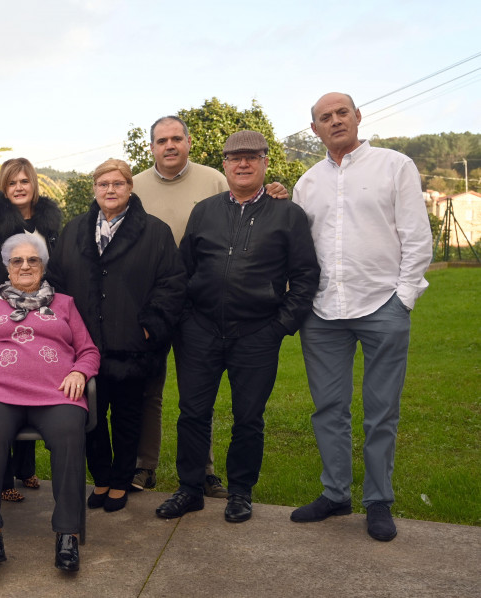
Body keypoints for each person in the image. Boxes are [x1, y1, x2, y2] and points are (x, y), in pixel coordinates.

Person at [155, 131, 319, 524]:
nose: (242, 164)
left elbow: (306, 276)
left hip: (257, 333)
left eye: (251, 157)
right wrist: (184, 321)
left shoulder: (288, 214)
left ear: (264, 162)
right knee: (193, 413)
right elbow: (183, 270)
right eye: (234, 158)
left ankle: (241, 492)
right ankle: (190, 489)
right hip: (200, 331)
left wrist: (279, 327)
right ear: (224, 164)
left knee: (249, 417)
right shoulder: (205, 210)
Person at [291, 92, 432, 541]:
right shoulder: (307, 182)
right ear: (314, 130)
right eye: (324, 118)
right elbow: (298, 246)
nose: (334, 121)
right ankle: (335, 494)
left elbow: (416, 235)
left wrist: (404, 298)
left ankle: (378, 501)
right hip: (323, 310)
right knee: (328, 408)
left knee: (381, 411)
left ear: (357, 117)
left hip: (382, 306)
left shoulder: (395, 166)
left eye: (341, 113)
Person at [131, 115, 289, 496]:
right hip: (146, 302)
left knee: (196, 394)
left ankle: (204, 472)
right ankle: (142, 465)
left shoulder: (214, 179)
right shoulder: (133, 185)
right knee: (146, 388)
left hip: (196, 304)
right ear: (151, 147)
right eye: (161, 140)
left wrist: (275, 192)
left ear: (188, 142)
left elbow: (245, 200)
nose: (169, 146)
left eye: (176, 139)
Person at [0, 233, 100, 571]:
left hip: (56, 394)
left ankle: (67, 535)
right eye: (17, 260)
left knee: (69, 432)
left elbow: (88, 351)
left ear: (43, 266)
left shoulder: (64, 304)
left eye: (33, 260)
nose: (25, 266)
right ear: (7, 267)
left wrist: (79, 373)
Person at [48, 158, 184, 513]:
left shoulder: (156, 232)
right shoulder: (75, 229)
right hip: (84, 346)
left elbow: (171, 284)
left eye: (118, 184)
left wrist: (150, 325)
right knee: (89, 418)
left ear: (130, 187)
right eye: (103, 184)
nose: (110, 190)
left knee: (127, 418)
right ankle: (103, 478)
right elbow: (58, 282)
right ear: (95, 188)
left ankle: (121, 481)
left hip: (132, 346)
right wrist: (62, 328)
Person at [0, 157, 63, 501]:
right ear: (4, 188)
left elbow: (58, 266)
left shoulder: (49, 222)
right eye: (12, 183)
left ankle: (26, 469)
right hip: (4, 312)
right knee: (4, 386)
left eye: (24, 181)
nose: (19, 188)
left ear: (33, 184)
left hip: (43, 309)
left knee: (34, 381)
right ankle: (4, 480)